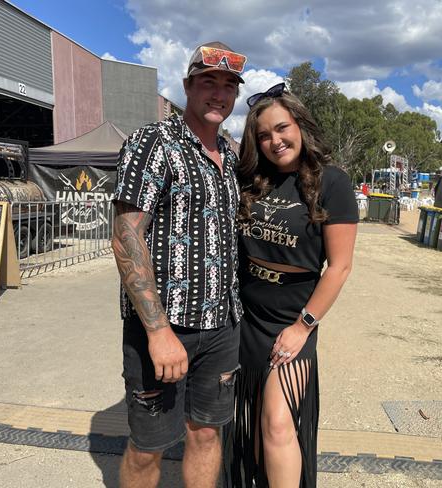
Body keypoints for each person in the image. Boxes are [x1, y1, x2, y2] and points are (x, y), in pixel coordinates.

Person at [112, 41, 247, 488]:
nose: (219, 94)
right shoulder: (156, 141)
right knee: (149, 444)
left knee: (207, 432)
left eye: (229, 85)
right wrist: (157, 331)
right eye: (209, 81)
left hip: (222, 325)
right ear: (188, 86)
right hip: (166, 329)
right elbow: (126, 235)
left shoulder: (228, 157)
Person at [228, 83, 359, 487]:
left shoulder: (332, 183)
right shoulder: (248, 179)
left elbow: (339, 267)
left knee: (279, 424)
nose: (274, 141)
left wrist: (304, 326)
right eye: (264, 135)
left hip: (292, 320)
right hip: (244, 318)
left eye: (282, 128)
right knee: (249, 426)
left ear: (300, 124)